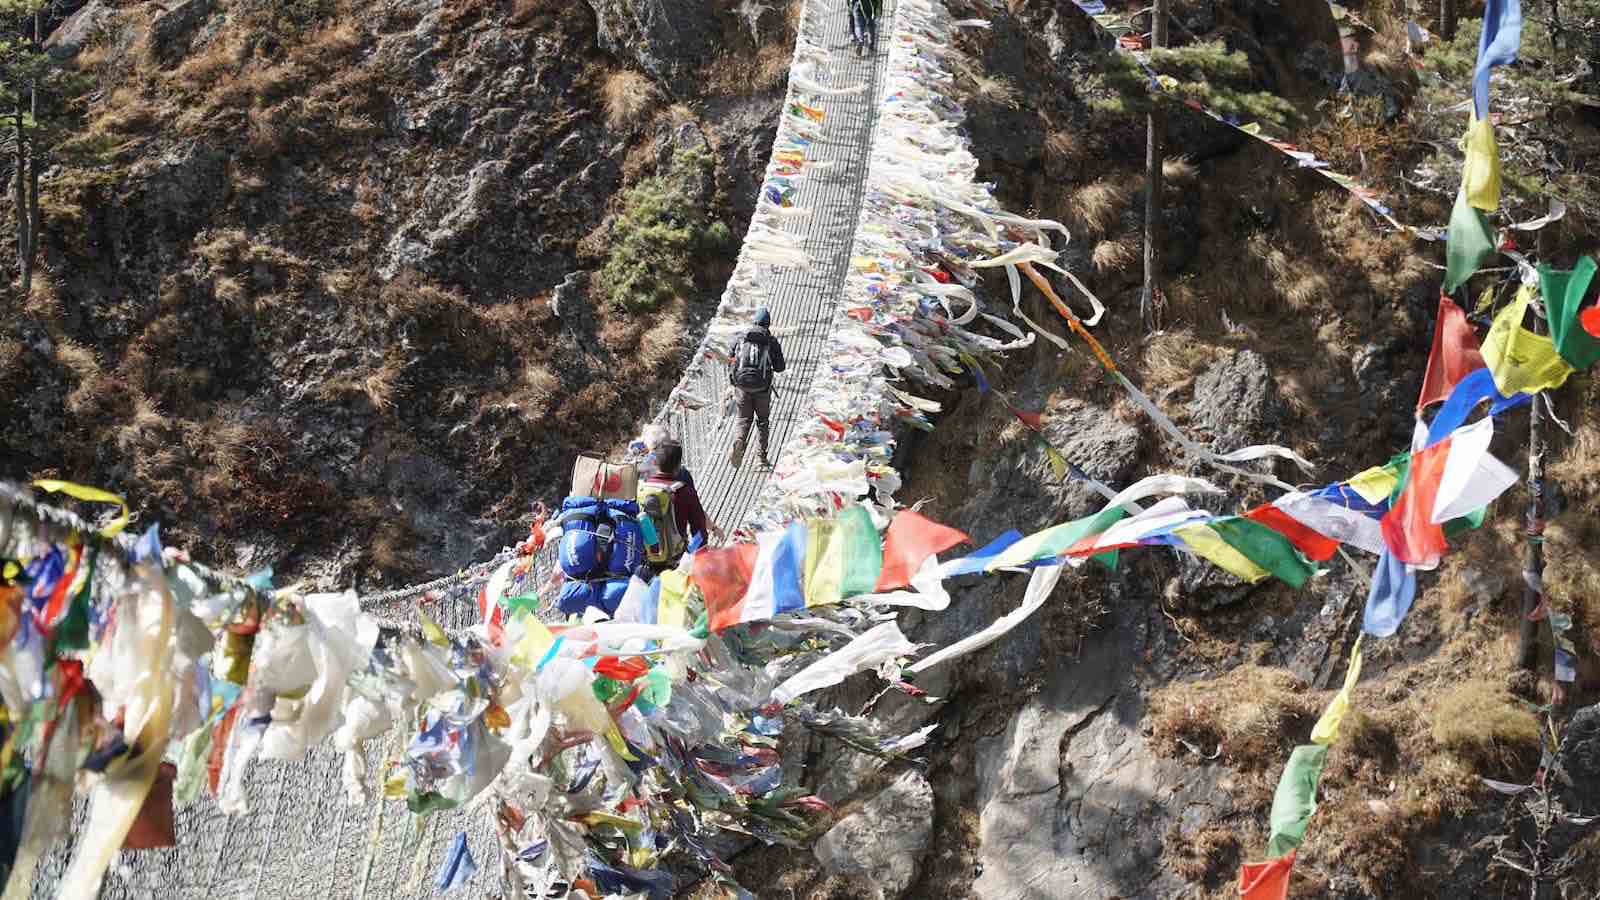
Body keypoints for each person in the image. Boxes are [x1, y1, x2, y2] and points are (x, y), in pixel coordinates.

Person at [638, 438, 724, 573]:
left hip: (646, 563)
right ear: (678, 466)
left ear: (655, 463)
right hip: (677, 563)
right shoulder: (684, 492)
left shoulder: (641, 490)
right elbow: (699, 532)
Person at [728, 307, 786, 468]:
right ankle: (760, 459)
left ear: (753, 321)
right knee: (762, 421)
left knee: (743, 419)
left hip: (742, 387)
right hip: (762, 388)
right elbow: (780, 367)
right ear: (768, 324)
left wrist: (733, 381)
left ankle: (739, 441)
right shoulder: (770, 341)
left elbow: (731, 360)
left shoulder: (740, 338)